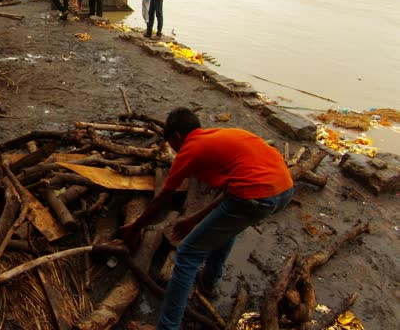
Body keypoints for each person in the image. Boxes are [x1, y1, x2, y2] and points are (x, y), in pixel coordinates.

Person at [121, 107, 294, 330]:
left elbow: (163, 197)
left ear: (176, 137)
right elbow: (229, 195)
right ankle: (210, 281)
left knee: (187, 255)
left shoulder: (190, 149)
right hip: (283, 190)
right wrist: (194, 219)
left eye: (172, 146)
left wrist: (136, 227)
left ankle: (167, 327)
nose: (174, 151)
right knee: (227, 227)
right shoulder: (219, 136)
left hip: (255, 196)